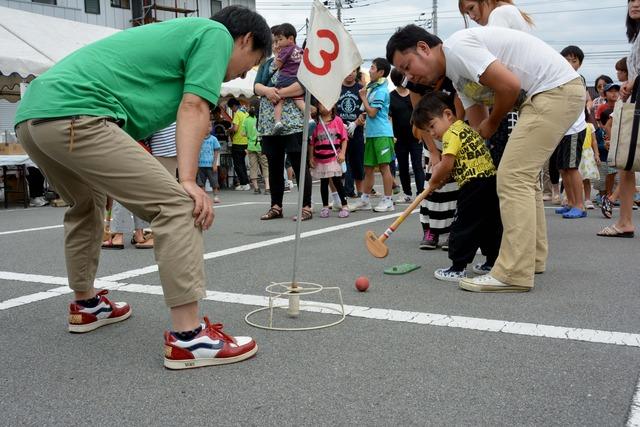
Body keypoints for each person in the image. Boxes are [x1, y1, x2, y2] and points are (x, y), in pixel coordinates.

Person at [14, 6, 272, 368]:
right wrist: (186, 180)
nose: (241, 72)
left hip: (33, 119)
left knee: (85, 204)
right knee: (178, 205)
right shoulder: (214, 34)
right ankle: (189, 338)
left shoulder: (176, 37)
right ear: (244, 39)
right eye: (249, 61)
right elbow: (195, 105)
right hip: (77, 114)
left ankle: (87, 305)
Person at [387, 24, 584, 292]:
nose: (410, 76)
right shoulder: (457, 77)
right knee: (520, 177)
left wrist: (492, 122)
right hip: (550, 95)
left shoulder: (458, 48)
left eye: (408, 66)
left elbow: (509, 86)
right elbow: (479, 128)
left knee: (513, 177)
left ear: (423, 48)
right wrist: (456, 164)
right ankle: (531, 259)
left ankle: (514, 271)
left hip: (553, 91)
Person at [414, 92, 502, 281]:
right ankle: (492, 261)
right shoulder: (465, 128)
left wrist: (434, 181)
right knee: (489, 223)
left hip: (473, 185)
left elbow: (446, 164)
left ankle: (457, 267)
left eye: (432, 126)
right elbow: (458, 164)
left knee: (463, 224)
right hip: (489, 181)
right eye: (428, 131)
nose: (432, 133)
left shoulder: (450, 134)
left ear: (448, 114)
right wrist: (444, 178)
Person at [255, 24, 313, 221]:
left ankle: (306, 207)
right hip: (270, 123)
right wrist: (267, 91)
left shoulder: (301, 60)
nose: (276, 45)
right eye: (274, 42)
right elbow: (256, 86)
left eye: (278, 40)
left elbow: (303, 86)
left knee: (298, 164)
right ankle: (276, 206)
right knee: (274, 164)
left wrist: (278, 93)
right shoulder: (267, 64)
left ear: (291, 38)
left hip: (293, 122)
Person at [598, 0, 638, 238]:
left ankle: (625, 222)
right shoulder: (635, 36)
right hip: (635, 103)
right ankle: (624, 221)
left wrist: (633, 82)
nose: (635, 3)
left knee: (628, 163)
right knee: (627, 164)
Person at [352, 58, 396, 213]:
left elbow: (372, 112)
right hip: (371, 134)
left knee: (384, 167)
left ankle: (388, 200)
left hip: (382, 134)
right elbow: (366, 112)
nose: (369, 70)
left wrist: (363, 97)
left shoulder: (381, 91)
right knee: (368, 168)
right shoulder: (373, 88)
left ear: (381, 72)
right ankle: (364, 200)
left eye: (372, 67)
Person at [552, 45, 588, 219]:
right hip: (561, 130)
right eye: (566, 59)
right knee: (562, 168)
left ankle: (580, 206)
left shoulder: (577, 78)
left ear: (579, 65)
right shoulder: (558, 77)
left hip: (574, 128)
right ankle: (571, 203)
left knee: (572, 168)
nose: (569, 63)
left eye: (574, 60)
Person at [389, 68, 425, 204]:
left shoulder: (414, 94)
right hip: (399, 138)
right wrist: (392, 135)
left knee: (417, 165)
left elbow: (420, 114)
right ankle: (407, 193)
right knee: (403, 167)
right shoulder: (391, 96)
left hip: (415, 136)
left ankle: (421, 193)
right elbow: (390, 118)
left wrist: (422, 133)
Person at [309, 101, 350, 218]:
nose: (324, 106)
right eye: (321, 104)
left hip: (334, 157)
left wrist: (342, 153)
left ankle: (345, 205)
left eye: (326, 103)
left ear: (333, 106)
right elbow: (312, 142)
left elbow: (344, 138)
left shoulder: (337, 120)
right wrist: (311, 157)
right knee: (324, 182)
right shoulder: (316, 123)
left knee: (337, 181)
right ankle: (325, 206)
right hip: (320, 158)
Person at [336, 69, 366, 198]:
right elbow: (331, 107)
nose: (350, 73)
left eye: (353, 71)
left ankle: (360, 191)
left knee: (357, 161)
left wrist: (356, 123)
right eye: (347, 70)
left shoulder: (361, 89)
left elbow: (366, 109)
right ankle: (341, 192)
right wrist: (339, 123)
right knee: (340, 162)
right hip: (338, 130)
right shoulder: (336, 88)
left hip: (356, 130)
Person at [271, 24, 305, 135]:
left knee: (278, 99)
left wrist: (276, 54)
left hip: (285, 79)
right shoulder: (301, 51)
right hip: (297, 80)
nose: (278, 43)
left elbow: (278, 65)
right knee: (299, 100)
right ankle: (308, 118)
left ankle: (277, 122)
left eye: (280, 39)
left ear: (290, 39)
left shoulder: (286, 50)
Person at [244, 103, 270, 195]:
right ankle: (267, 187)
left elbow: (244, 133)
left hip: (250, 146)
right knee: (265, 165)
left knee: (253, 166)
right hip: (260, 145)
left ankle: (256, 188)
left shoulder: (246, 120)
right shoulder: (261, 119)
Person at [227, 97, 251, 191]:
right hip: (246, 142)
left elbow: (235, 128)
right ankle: (246, 183)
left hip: (238, 142)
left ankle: (243, 183)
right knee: (243, 164)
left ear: (234, 106)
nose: (232, 110)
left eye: (231, 108)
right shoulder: (246, 113)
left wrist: (229, 130)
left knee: (238, 164)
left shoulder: (237, 114)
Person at [577, 113, 600, 210]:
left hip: (587, 153)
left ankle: (587, 199)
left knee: (586, 178)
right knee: (574, 177)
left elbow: (594, 141)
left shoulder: (590, 126)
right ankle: (573, 198)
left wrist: (596, 154)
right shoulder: (574, 127)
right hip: (577, 152)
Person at [196, 121, 222, 204]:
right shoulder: (198, 139)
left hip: (210, 164)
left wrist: (215, 163)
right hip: (201, 164)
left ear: (211, 128)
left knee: (214, 182)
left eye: (209, 126)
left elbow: (216, 151)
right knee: (201, 182)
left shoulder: (213, 139)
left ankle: (215, 196)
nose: (207, 128)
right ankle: (204, 197)